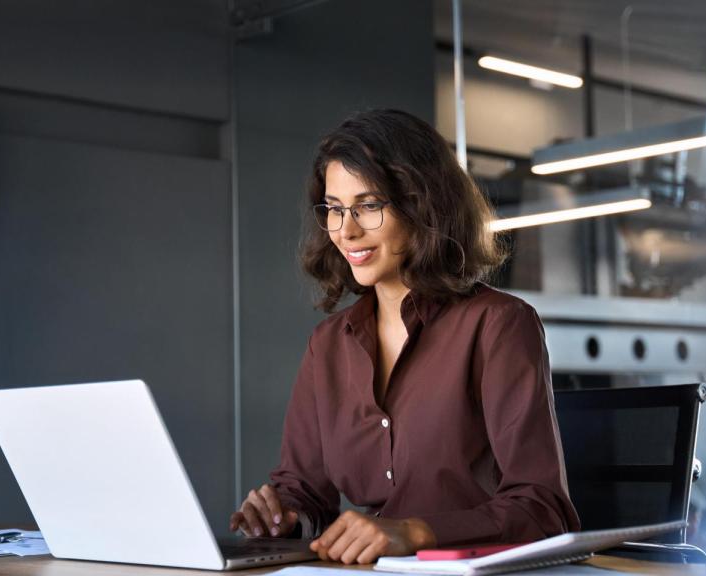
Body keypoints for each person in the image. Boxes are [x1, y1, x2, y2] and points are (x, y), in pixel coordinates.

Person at [229, 109, 580, 564]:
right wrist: (283, 516)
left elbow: (544, 509)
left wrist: (416, 532)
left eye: (369, 205)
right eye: (335, 209)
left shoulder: (499, 325)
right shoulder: (329, 344)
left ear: (422, 203)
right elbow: (304, 492)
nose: (346, 230)